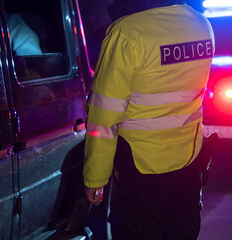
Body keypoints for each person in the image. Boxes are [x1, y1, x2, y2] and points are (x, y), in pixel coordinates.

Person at [83, 0, 215, 239]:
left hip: (141, 167)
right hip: (189, 161)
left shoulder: (127, 32)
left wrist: (96, 178)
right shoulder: (201, 24)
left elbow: (104, 116)